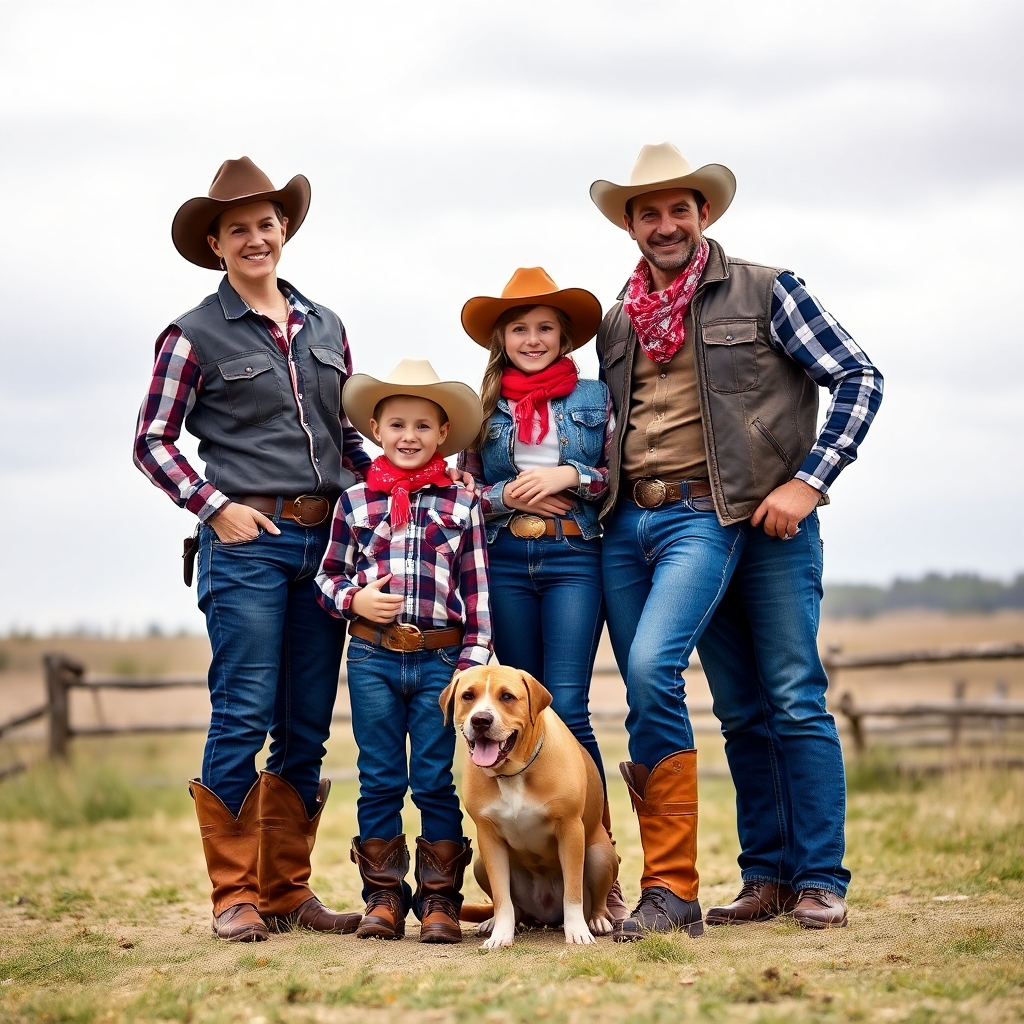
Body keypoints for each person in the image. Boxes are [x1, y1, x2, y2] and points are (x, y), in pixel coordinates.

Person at [589, 142, 883, 935]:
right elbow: (615, 430)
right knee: (742, 712)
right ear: (630, 225)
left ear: (704, 214)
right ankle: (766, 877)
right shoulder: (616, 324)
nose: (665, 224)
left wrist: (810, 481)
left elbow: (858, 376)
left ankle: (819, 876)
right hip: (675, 520)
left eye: (678, 209)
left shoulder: (767, 290)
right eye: (648, 212)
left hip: (771, 524)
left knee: (792, 696)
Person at [133, 157, 368, 941]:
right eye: (239, 228)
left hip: (327, 544)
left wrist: (386, 506)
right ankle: (233, 896)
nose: (256, 237)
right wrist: (215, 507)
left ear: (284, 229)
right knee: (242, 712)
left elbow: (352, 439)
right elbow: (151, 440)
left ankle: (286, 889)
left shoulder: (328, 325)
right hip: (248, 546)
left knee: (305, 725)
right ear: (216, 241)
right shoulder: (192, 334)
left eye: (267, 223)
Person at [457, 267, 628, 921]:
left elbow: (616, 471)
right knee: (510, 706)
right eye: (520, 328)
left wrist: (567, 473)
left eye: (545, 328)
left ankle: (599, 869)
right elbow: (465, 487)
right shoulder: (482, 408)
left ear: (563, 335)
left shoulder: (594, 396)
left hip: (572, 557)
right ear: (503, 338)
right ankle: (519, 869)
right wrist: (507, 493)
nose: (533, 338)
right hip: (504, 559)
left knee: (568, 710)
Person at [315, 359, 491, 943]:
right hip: (373, 657)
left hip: (442, 661)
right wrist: (355, 601)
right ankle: (383, 896)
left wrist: (469, 671)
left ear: (443, 434)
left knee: (436, 777)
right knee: (381, 775)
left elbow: (478, 594)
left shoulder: (462, 506)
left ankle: (440, 901)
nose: (408, 436)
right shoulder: (355, 503)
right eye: (396, 425)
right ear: (375, 431)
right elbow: (328, 577)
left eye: (422, 426)